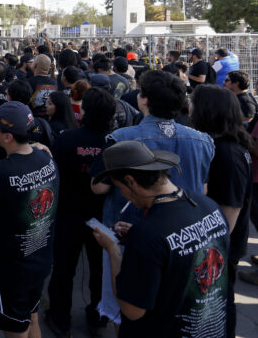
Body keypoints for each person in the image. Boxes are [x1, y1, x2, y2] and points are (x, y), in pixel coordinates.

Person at [91, 141, 230, 338]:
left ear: (131, 181)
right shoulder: (208, 206)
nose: (123, 194)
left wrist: (112, 249)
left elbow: (132, 310)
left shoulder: (148, 234)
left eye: (119, 187)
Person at [0, 101, 59, 337]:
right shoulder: (47, 159)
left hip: (8, 271)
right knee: (32, 319)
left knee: (15, 328)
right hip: (38, 260)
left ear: (7, 137)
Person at [45, 88, 115, 337]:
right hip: (101, 216)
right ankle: (98, 314)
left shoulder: (67, 138)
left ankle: (59, 317)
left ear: (85, 111)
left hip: (69, 213)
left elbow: (54, 175)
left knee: (64, 269)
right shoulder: (113, 142)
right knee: (99, 269)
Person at [190, 85, 252, 338]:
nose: (190, 107)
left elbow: (231, 209)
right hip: (219, 249)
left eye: (194, 102)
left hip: (219, 251)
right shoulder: (224, 144)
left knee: (220, 308)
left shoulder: (227, 153)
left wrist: (210, 251)